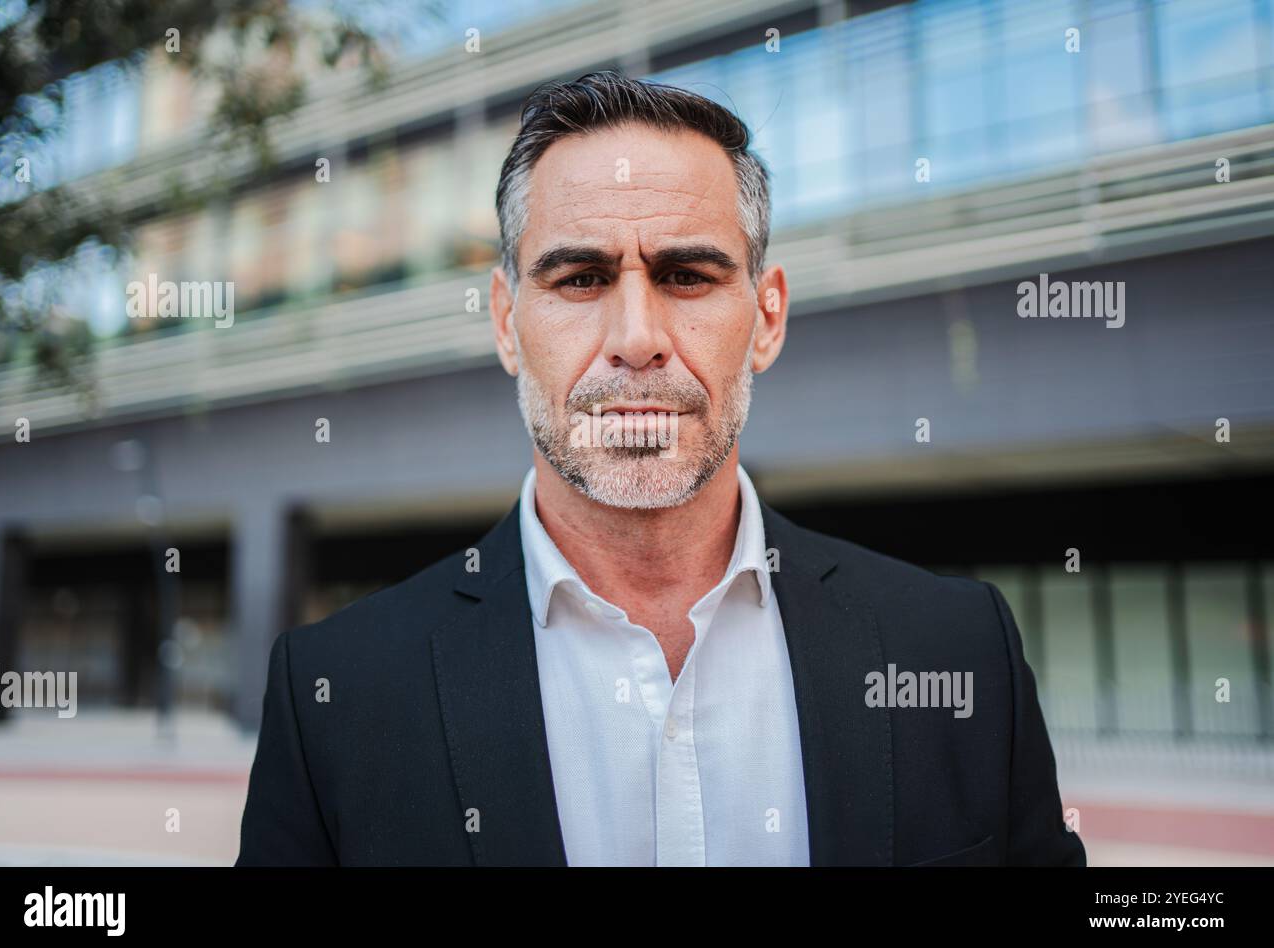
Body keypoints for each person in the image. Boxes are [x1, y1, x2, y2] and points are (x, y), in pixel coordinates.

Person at [237, 70, 1085, 867]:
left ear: (766, 317)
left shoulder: (959, 647)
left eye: (686, 275)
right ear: (505, 322)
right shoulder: (333, 694)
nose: (636, 338)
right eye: (579, 277)